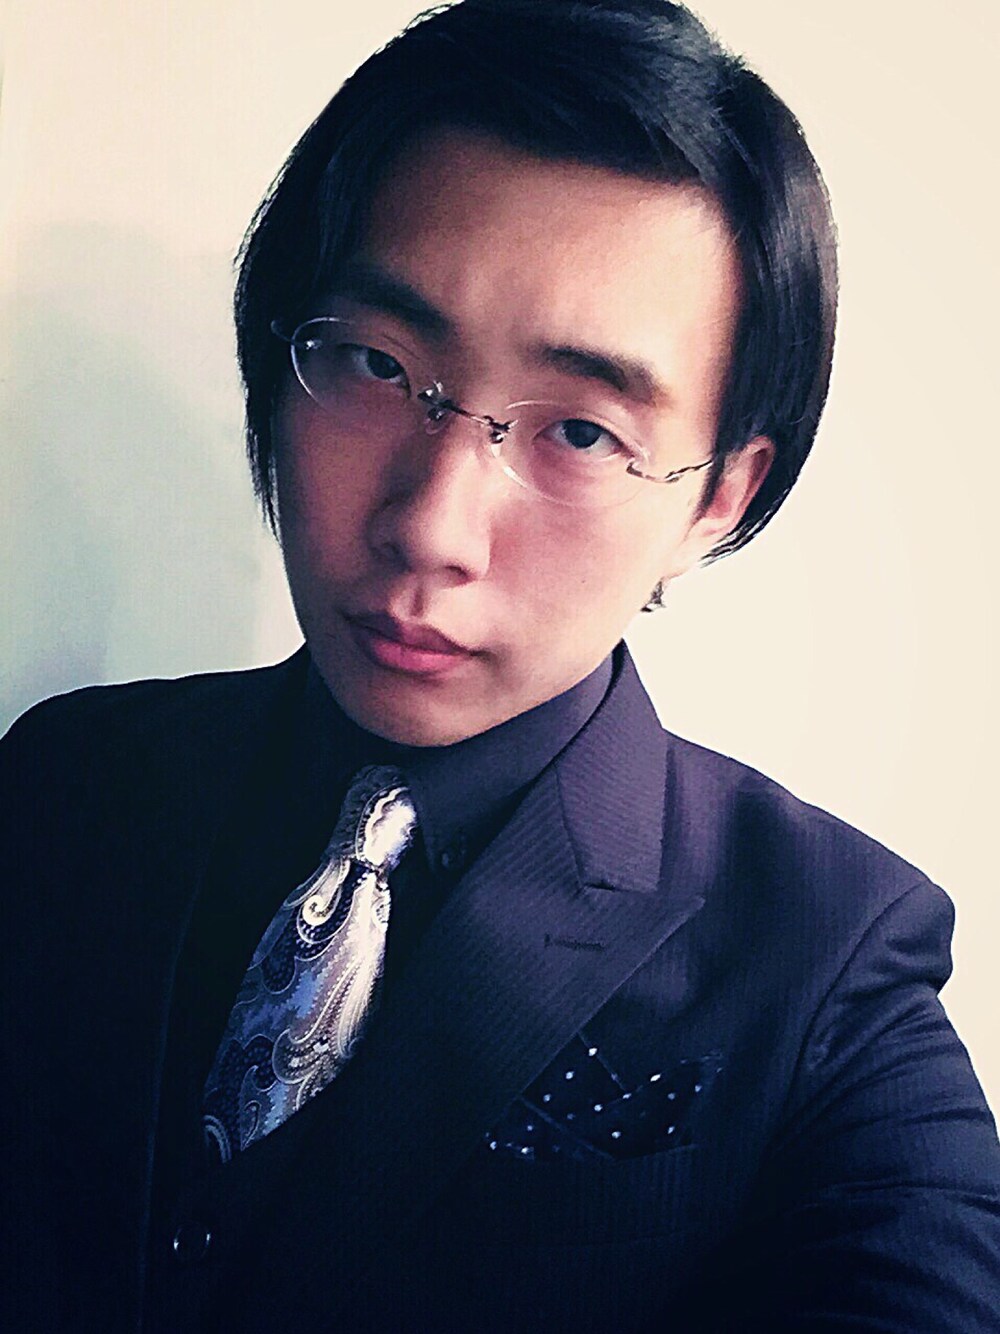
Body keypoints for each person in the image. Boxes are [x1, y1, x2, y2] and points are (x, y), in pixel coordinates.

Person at [2, 0, 998, 1329]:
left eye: (580, 433)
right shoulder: (69, 777)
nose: (430, 526)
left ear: (718, 495)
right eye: (375, 363)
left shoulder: (825, 962)